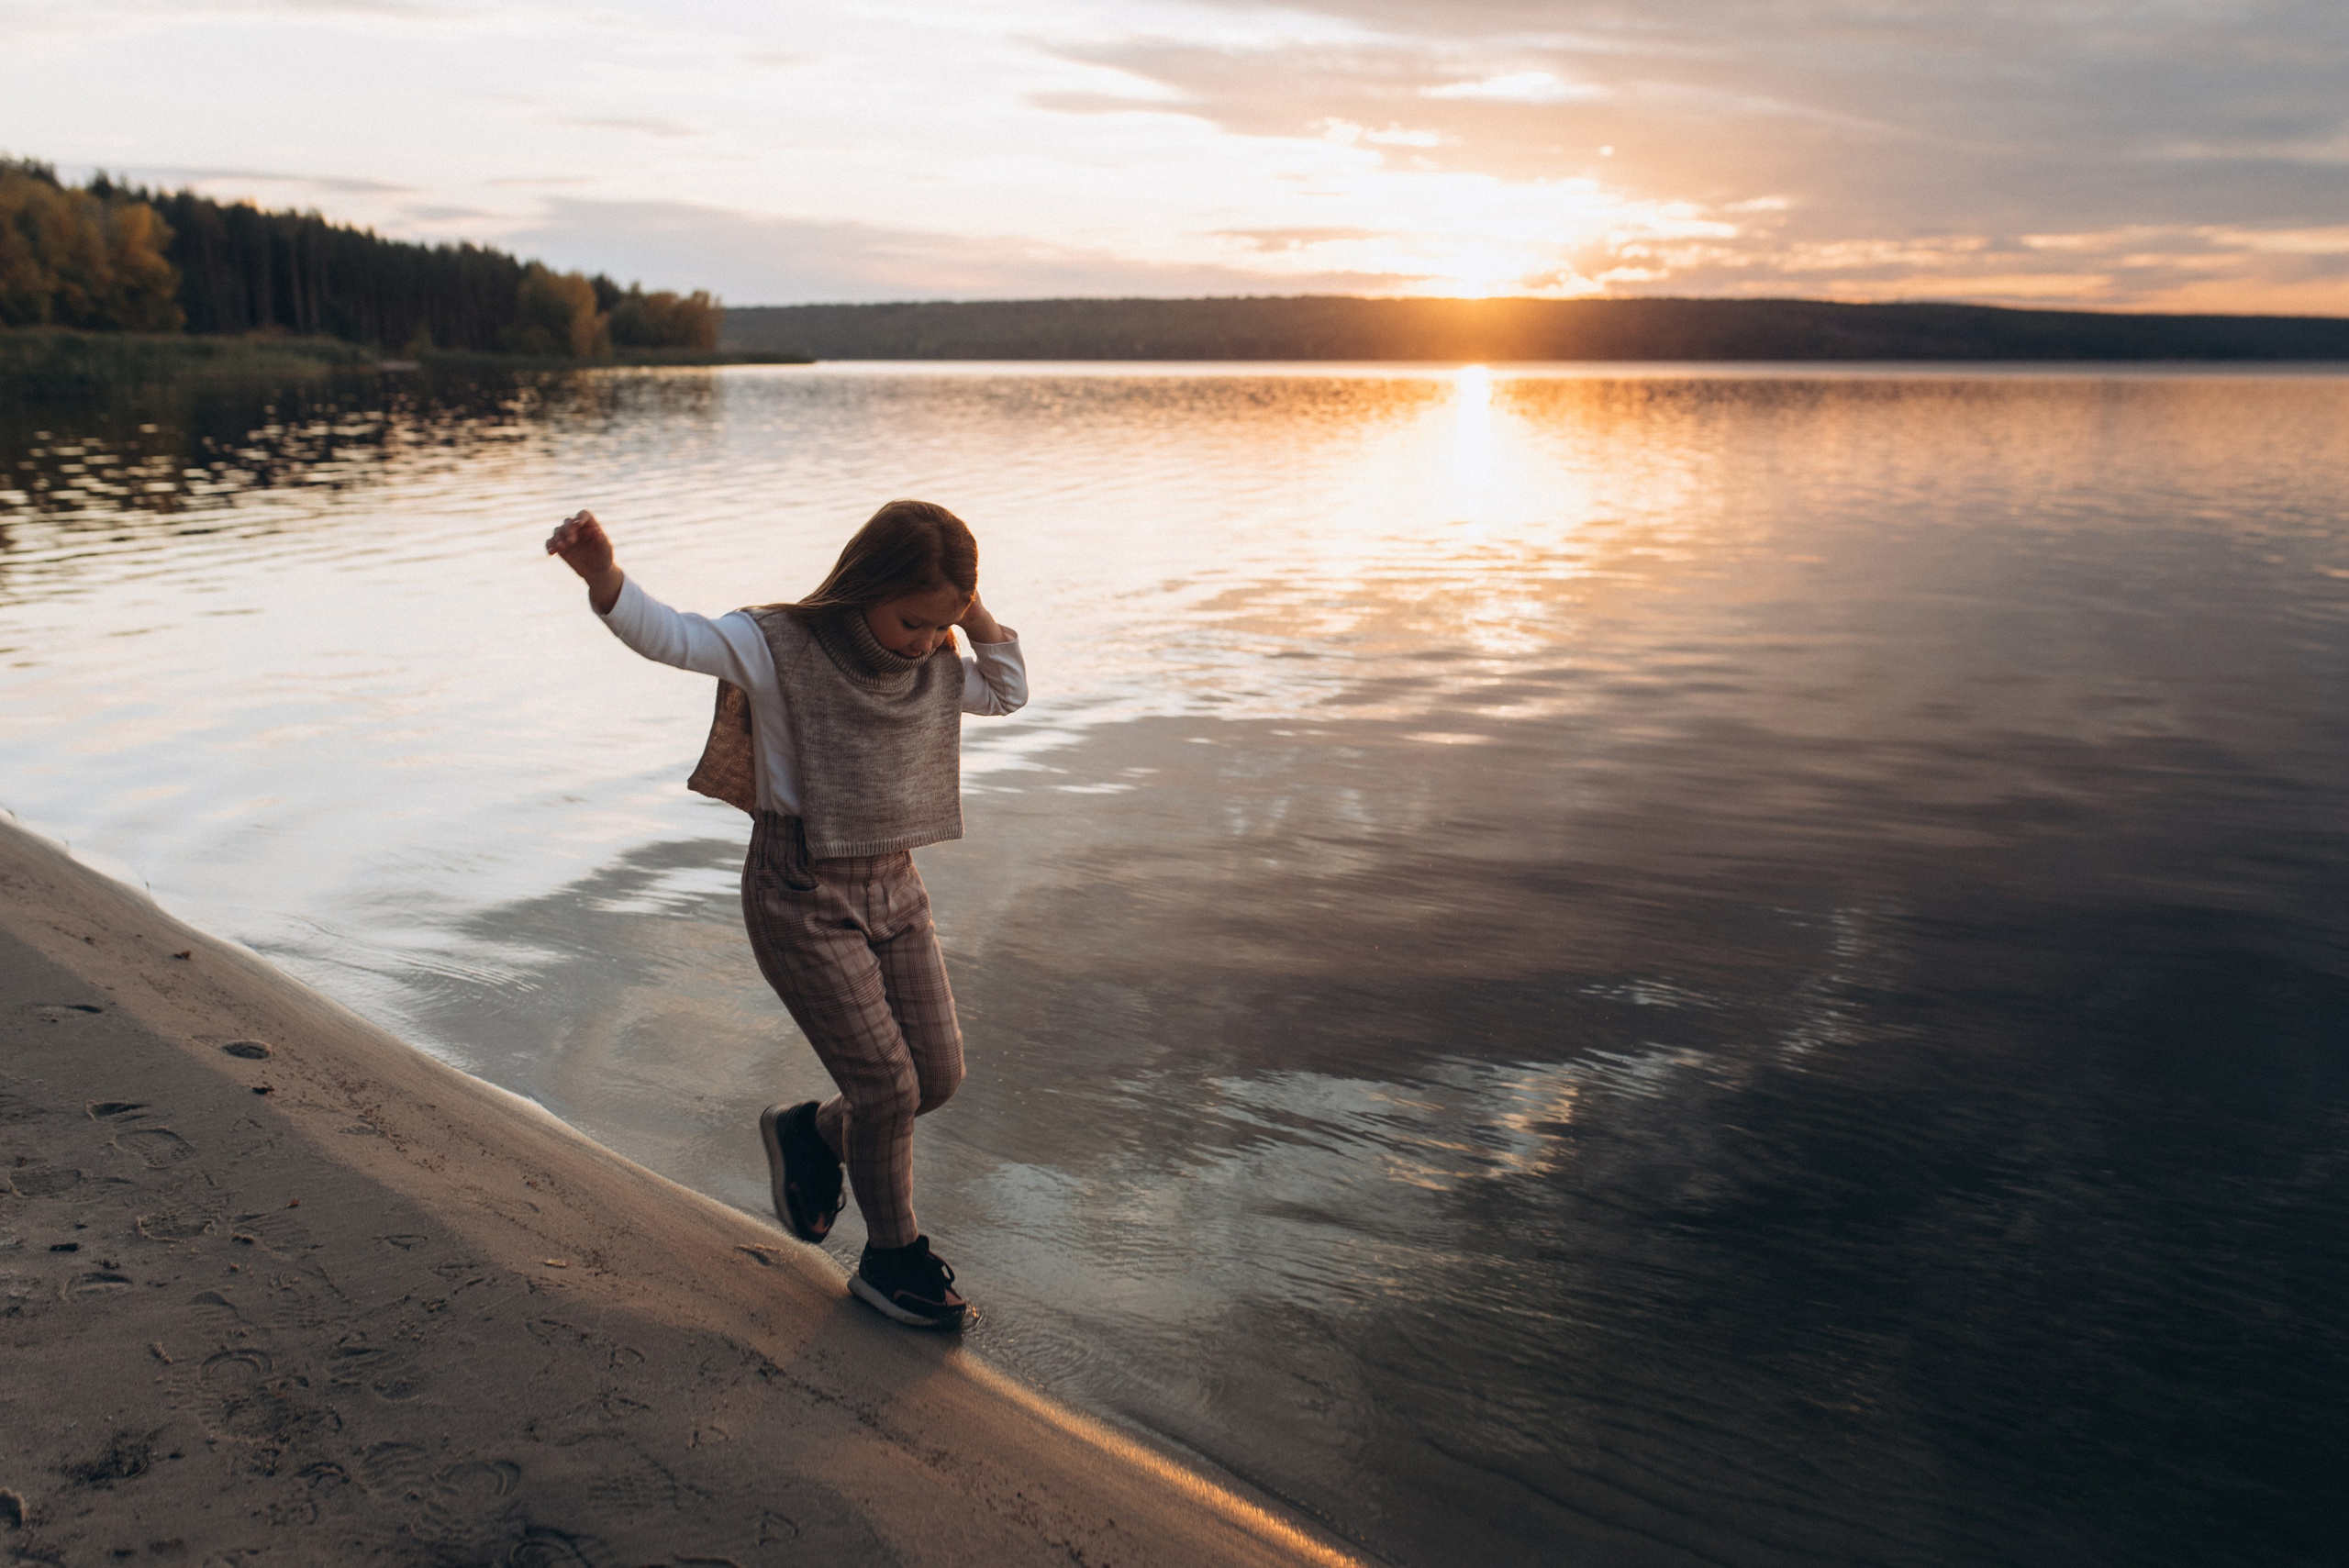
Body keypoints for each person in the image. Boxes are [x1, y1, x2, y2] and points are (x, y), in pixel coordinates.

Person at [544, 499, 1026, 1329]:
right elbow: (673, 635)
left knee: (934, 1079)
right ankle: (890, 1257)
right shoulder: (778, 646)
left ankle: (808, 1131)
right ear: (868, 584)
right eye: (913, 619)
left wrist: (968, 610)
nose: (922, 642)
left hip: (896, 888)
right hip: (799, 888)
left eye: (938, 626)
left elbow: (1008, 690)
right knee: (886, 1086)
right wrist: (604, 578)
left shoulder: (934, 660)